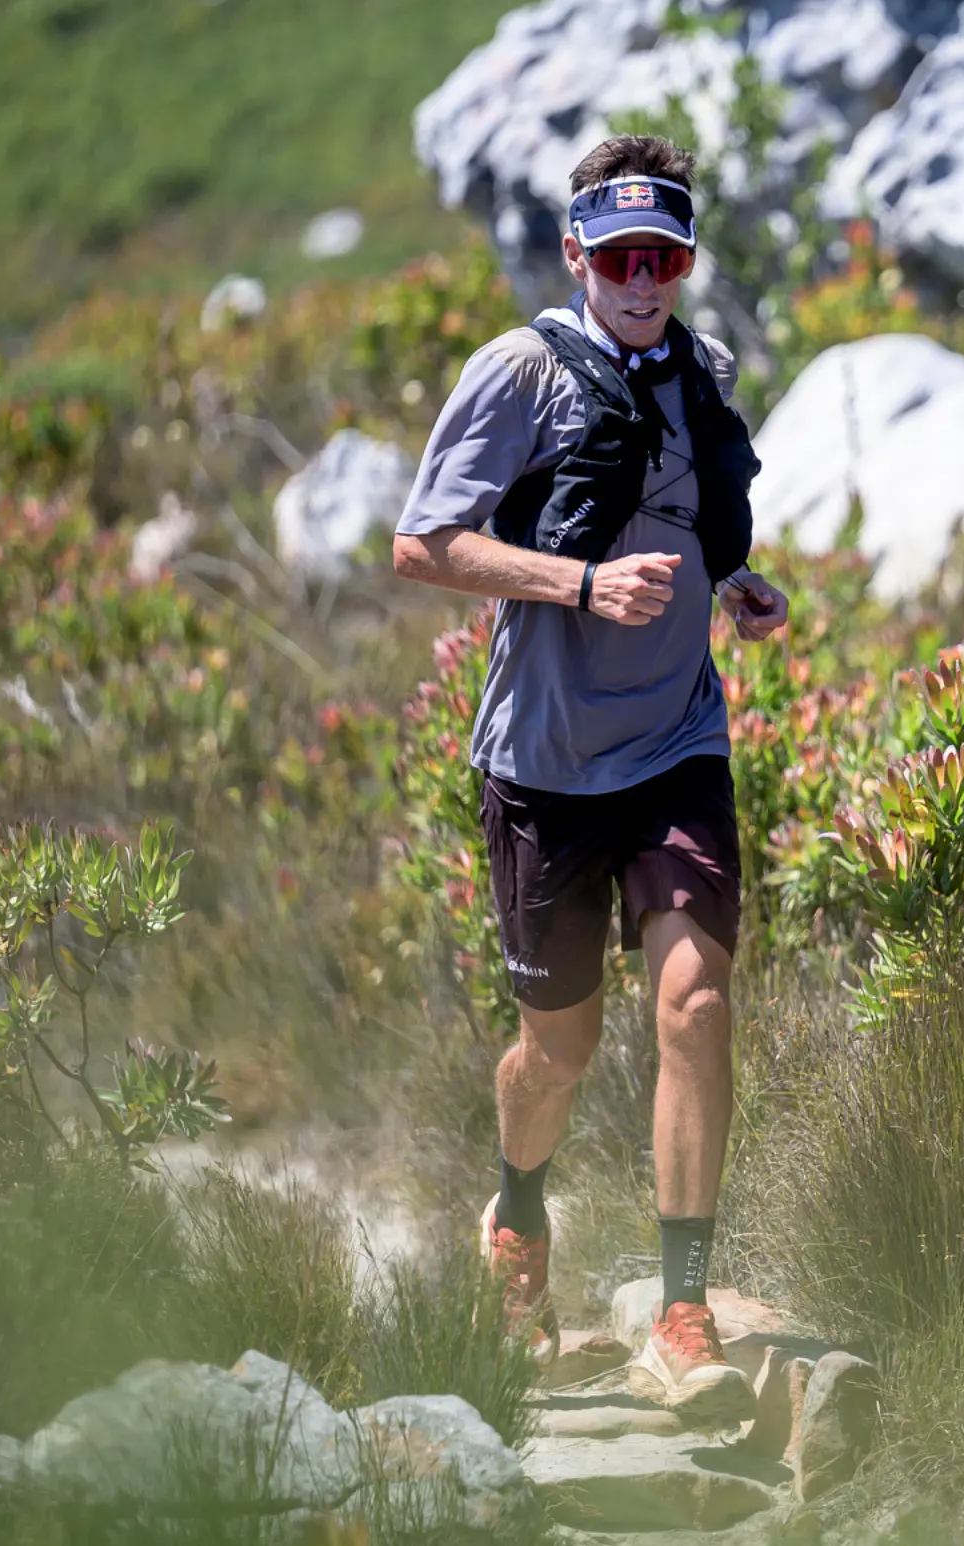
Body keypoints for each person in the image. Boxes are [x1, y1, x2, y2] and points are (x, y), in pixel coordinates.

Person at [391, 133, 789, 1423]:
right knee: (556, 1053)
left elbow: (687, 519)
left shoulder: (703, 372)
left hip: (678, 743)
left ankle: (682, 1314)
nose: (642, 280)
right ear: (575, 256)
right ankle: (517, 1215)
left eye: (663, 256)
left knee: (695, 1006)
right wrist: (579, 585)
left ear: (686, 259)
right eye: (619, 258)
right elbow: (423, 544)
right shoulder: (516, 371)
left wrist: (736, 584)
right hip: (546, 764)